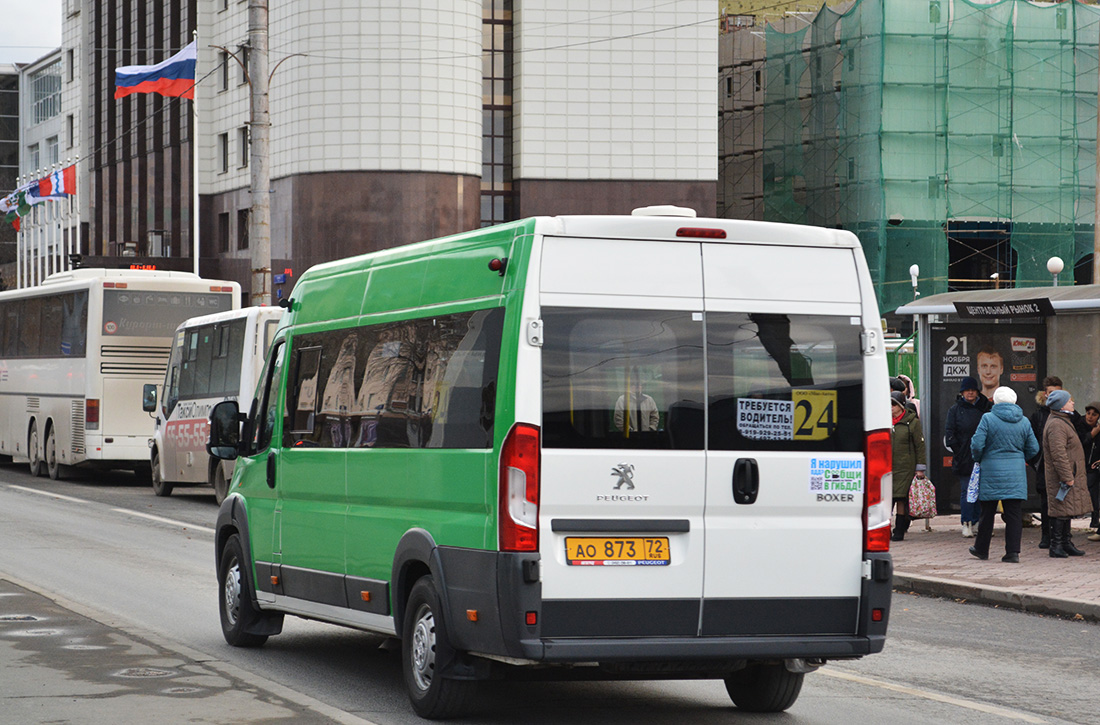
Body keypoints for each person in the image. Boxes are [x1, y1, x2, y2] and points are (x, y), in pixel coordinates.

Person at [969, 386, 1039, 563]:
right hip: (1016, 473)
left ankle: (981, 549)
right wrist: (1018, 457)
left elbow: (977, 444)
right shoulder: (1023, 421)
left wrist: (979, 458)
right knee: (1014, 514)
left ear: (996, 401)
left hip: (991, 470)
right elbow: (1034, 448)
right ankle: (1012, 553)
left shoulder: (988, 418)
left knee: (987, 513)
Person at [1042, 389, 1092, 558]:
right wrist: (1067, 477)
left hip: (1069, 473)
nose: (1073, 403)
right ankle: (1056, 545)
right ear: (1061, 405)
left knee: (1066, 509)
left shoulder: (1062, 420)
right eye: (1070, 400)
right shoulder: (1057, 424)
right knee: (1060, 510)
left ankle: (1066, 542)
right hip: (1062, 477)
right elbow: (1058, 454)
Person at [945, 376, 990, 538]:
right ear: (962, 392)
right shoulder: (955, 410)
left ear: (978, 391)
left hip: (984, 457)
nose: (970, 393)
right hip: (964, 458)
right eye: (967, 390)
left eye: (973, 390)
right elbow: (949, 433)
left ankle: (978, 523)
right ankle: (966, 523)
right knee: (967, 491)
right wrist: (959, 450)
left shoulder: (987, 407)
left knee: (982, 492)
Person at [890, 391, 926, 541]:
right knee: (886, 500)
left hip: (905, 467)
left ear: (900, 405)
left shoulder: (912, 422)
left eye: (893, 404)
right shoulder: (882, 420)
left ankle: (899, 530)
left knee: (900, 498)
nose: (890, 408)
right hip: (886, 466)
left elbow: (920, 445)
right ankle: (884, 530)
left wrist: (920, 468)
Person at [1081, 402, 1100, 540]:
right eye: (1088, 413)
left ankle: (1095, 518)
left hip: (1094, 466)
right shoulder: (1080, 425)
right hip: (1083, 466)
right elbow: (1084, 441)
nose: (1090, 417)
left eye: (1094, 414)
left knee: (1095, 492)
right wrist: (1095, 431)